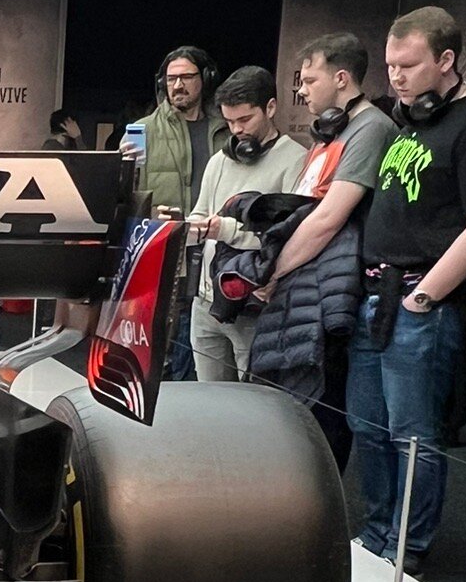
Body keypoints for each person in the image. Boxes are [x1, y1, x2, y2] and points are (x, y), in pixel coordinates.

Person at [346, 6, 466, 574]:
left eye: (409, 65)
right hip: (376, 295)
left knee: (411, 434)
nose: (395, 76)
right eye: (391, 64)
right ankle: (377, 534)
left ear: (446, 60)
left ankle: (406, 548)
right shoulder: (413, 119)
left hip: (422, 302)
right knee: (367, 426)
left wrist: (425, 299)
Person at [258, 34, 397, 465]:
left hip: (337, 290)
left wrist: (272, 271)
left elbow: (328, 218)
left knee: (326, 413)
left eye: (309, 80)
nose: (301, 90)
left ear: (341, 79)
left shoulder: (370, 128)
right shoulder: (330, 131)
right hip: (308, 285)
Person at [187, 66, 304, 383]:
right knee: (208, 397)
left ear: (270, 107)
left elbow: (288, 237)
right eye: (229, 122)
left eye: (245, 120)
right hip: (206, 300)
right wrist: (184, 226)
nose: (237, 130)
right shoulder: (220, 160)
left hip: (255, 305)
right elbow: (200, 213)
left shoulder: (296, 160)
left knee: (253, 398)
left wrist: (224, 230)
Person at [123, 46, 226, 378]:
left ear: (205, 79)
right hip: (166, 252)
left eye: (186, 77)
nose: (178, 85)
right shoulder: (143, 131)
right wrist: (124, 169)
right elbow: (124, 197)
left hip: (217, 248)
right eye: (171, 79)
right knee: (164, 347)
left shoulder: (227, 130)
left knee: (209, 348)